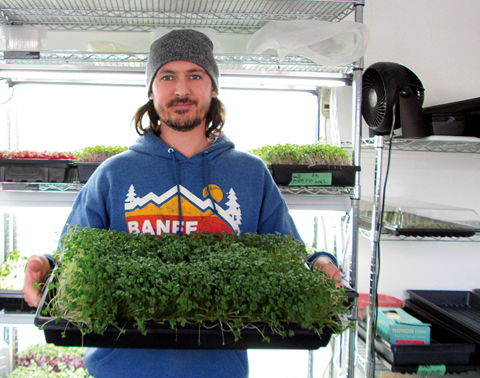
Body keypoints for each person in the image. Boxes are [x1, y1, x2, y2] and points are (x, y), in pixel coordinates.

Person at [23, 29, 342, 378]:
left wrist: (322, 263)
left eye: (194, 75)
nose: (181, 90)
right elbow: (72, 260)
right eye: (167, 76)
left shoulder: (251, 174)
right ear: (151, 90)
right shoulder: (113, 174)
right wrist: (44, 263)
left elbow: (290, 258)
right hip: (120, 371)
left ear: (213, 87)